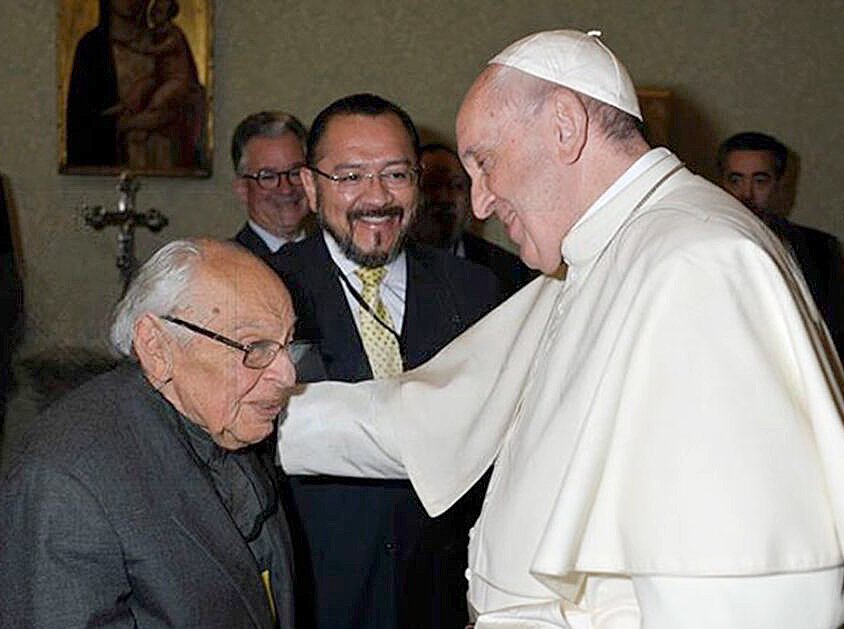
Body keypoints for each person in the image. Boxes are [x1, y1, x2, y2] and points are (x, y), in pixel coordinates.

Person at [279, 31, 844, 627]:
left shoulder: (697, 261)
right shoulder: (601, 252)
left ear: (565, 126)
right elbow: (429, 419)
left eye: (485, 163)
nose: (480, 204)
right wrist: (239, 403)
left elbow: (735, 596)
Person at [267, 93, 501, 629]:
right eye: (350, 176)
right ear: (309, 186)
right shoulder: (263, 289)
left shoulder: (476, 291)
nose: (376, 197)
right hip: (312, 595)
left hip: (443, 596)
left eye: (395, 174)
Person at [0, 239, 299, 628]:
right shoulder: (65, 483)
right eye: (255, 347)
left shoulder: (225, 420)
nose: (289, 375)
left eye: (289, 343)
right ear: (156, 347)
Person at [717, 131, 844, 354]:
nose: (746, 193)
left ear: (779, 184)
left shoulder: (820, 248)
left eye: (760, 180)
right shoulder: (703, 246)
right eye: (735, 180)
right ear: (720, 182)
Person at [66, 0, 206, 171]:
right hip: (109, 178)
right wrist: (124, 125)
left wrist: (168, 116)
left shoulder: (165, 39)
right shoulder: (92, 48)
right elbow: (81, 125)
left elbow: (191, 103)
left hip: (166, 167)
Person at [411, 143, 537, 298]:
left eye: (456, 185)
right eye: (431, 185)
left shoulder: (511, 272)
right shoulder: (389, 267)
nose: (444, 197)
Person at [231, 111, 314, 256]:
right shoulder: (228, 265)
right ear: (242, 188)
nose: (286, 189)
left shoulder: (337, 257)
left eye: (295, 173)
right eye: (268, 176)